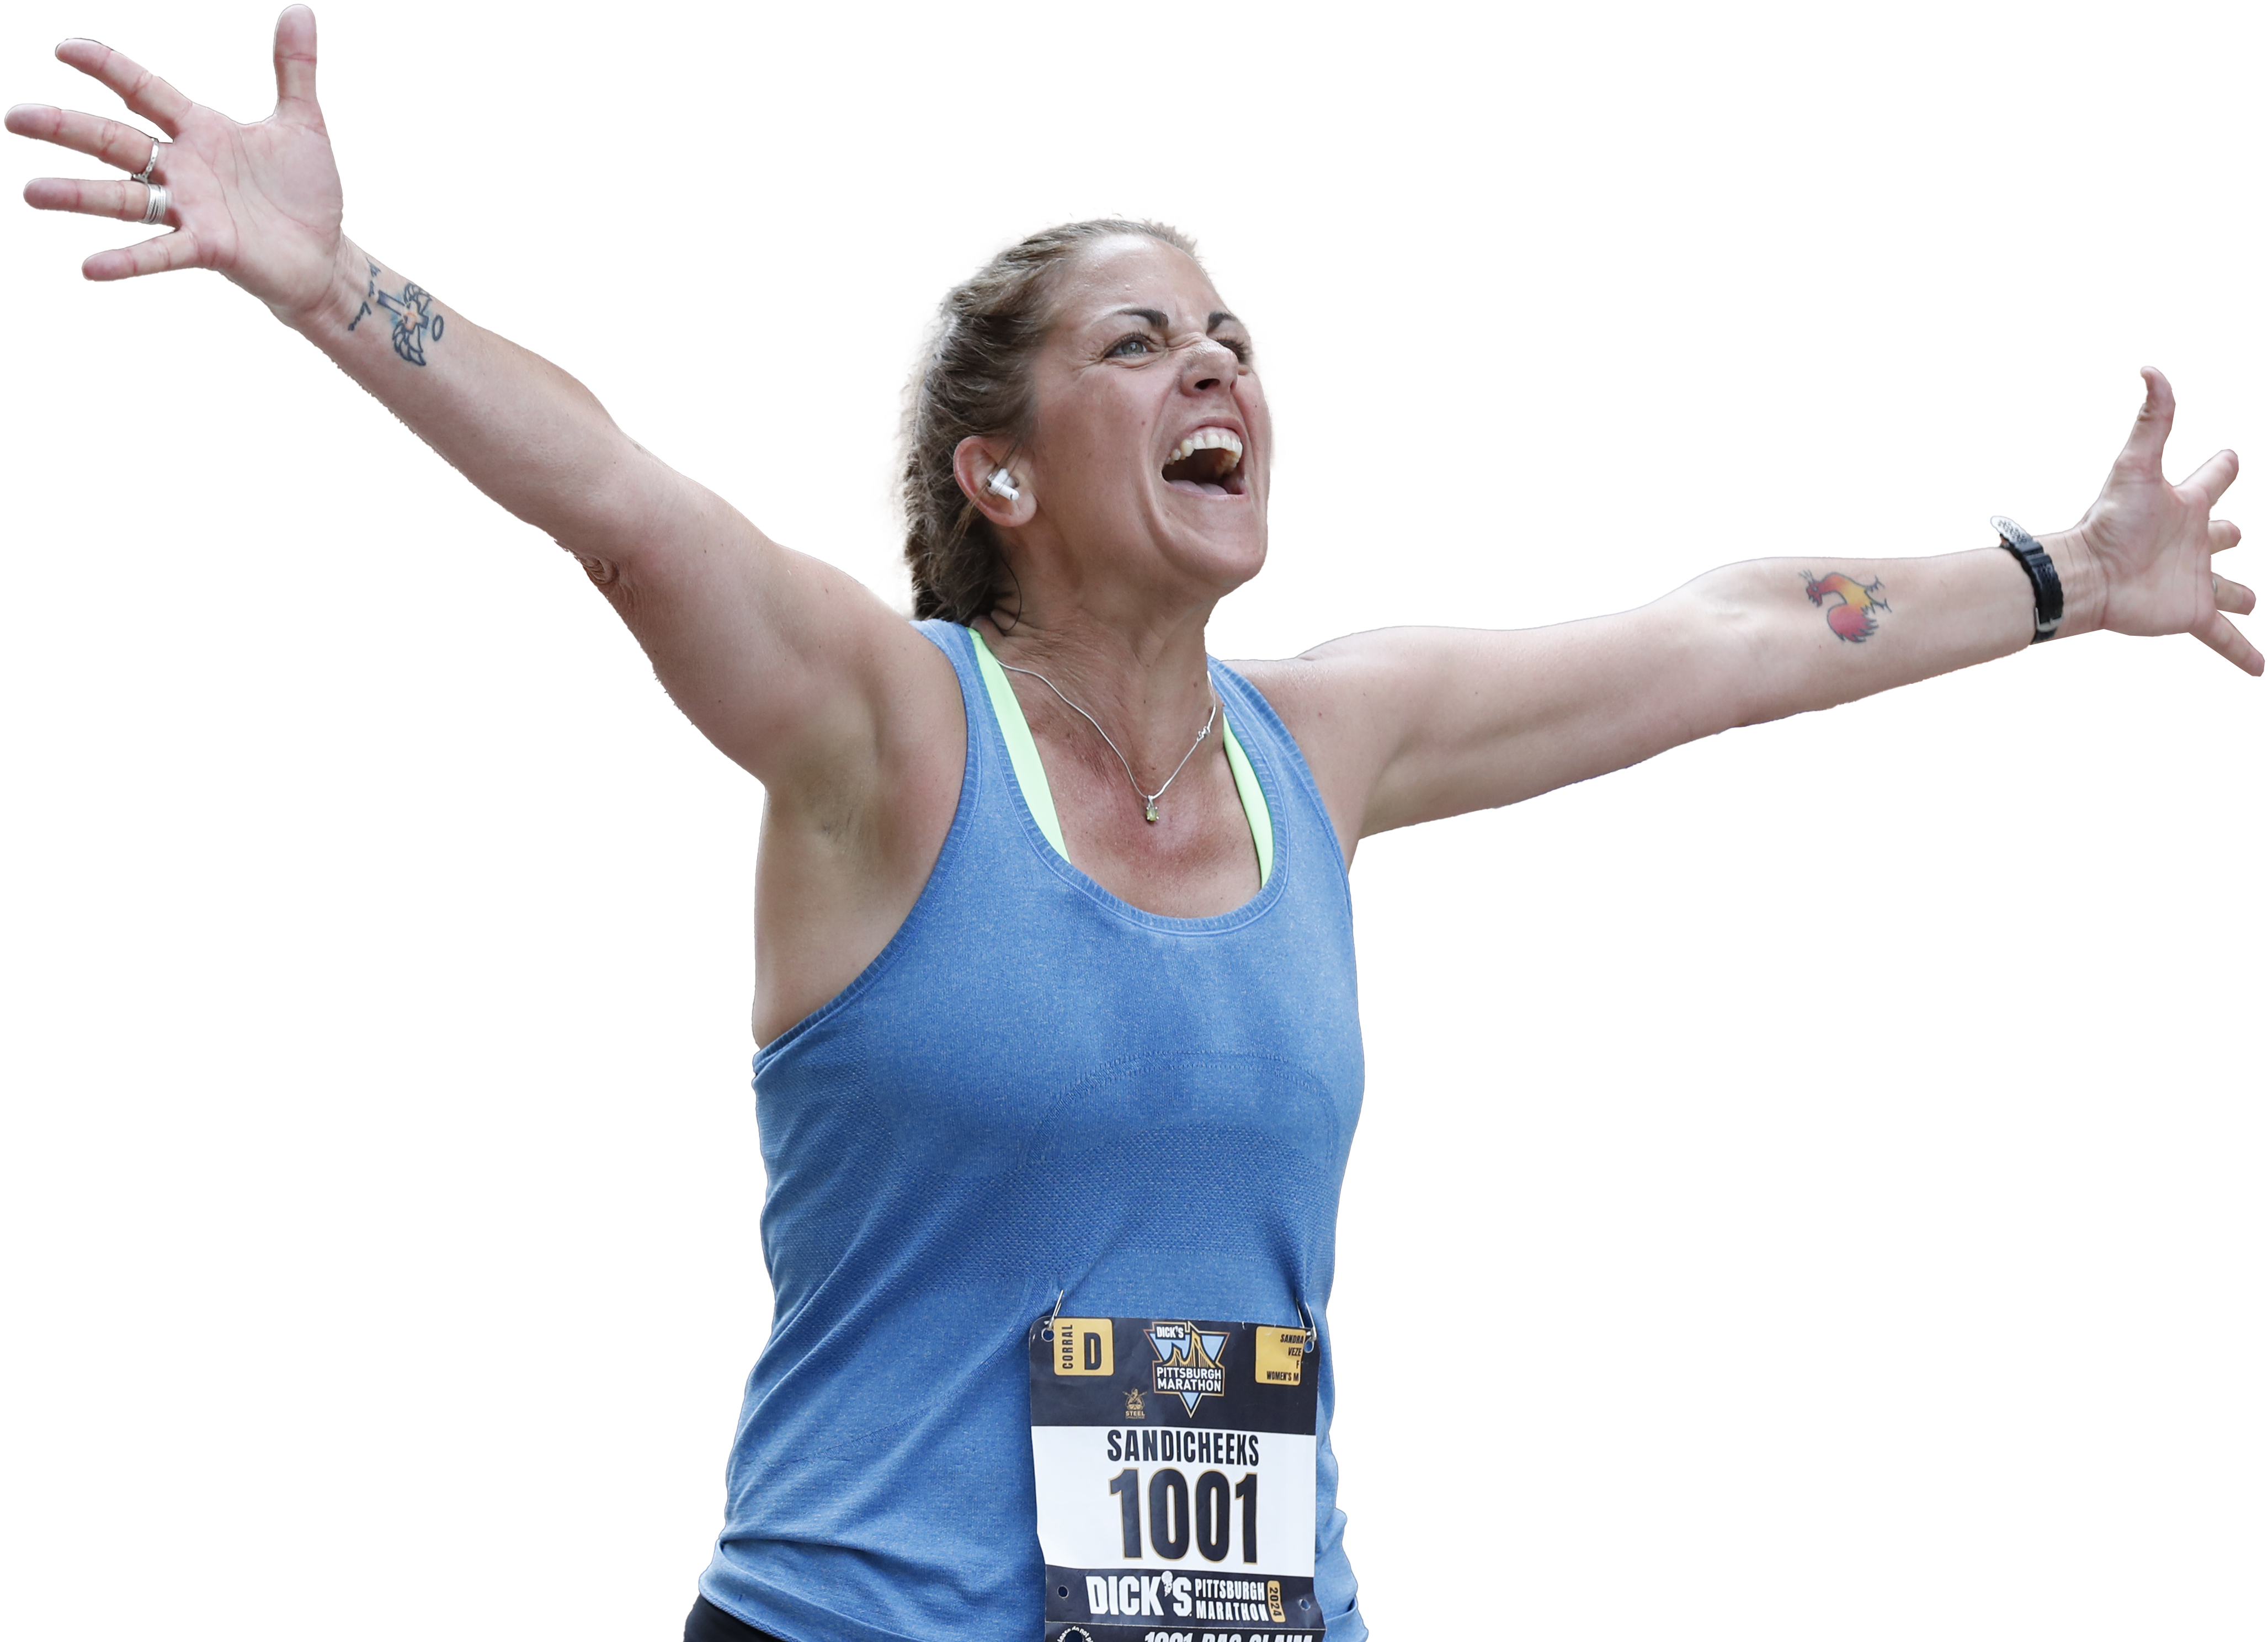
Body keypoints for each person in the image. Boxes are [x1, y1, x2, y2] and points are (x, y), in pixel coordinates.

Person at [12, 10, 2253, 1641]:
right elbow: (617, 495)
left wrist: (2069, 572)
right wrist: (325, 285)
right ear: (995, 468)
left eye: (1233, 339)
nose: (1218, 371)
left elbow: (1739, 623)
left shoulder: (1336, 737)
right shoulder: (886, 728)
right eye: (1137, 344)